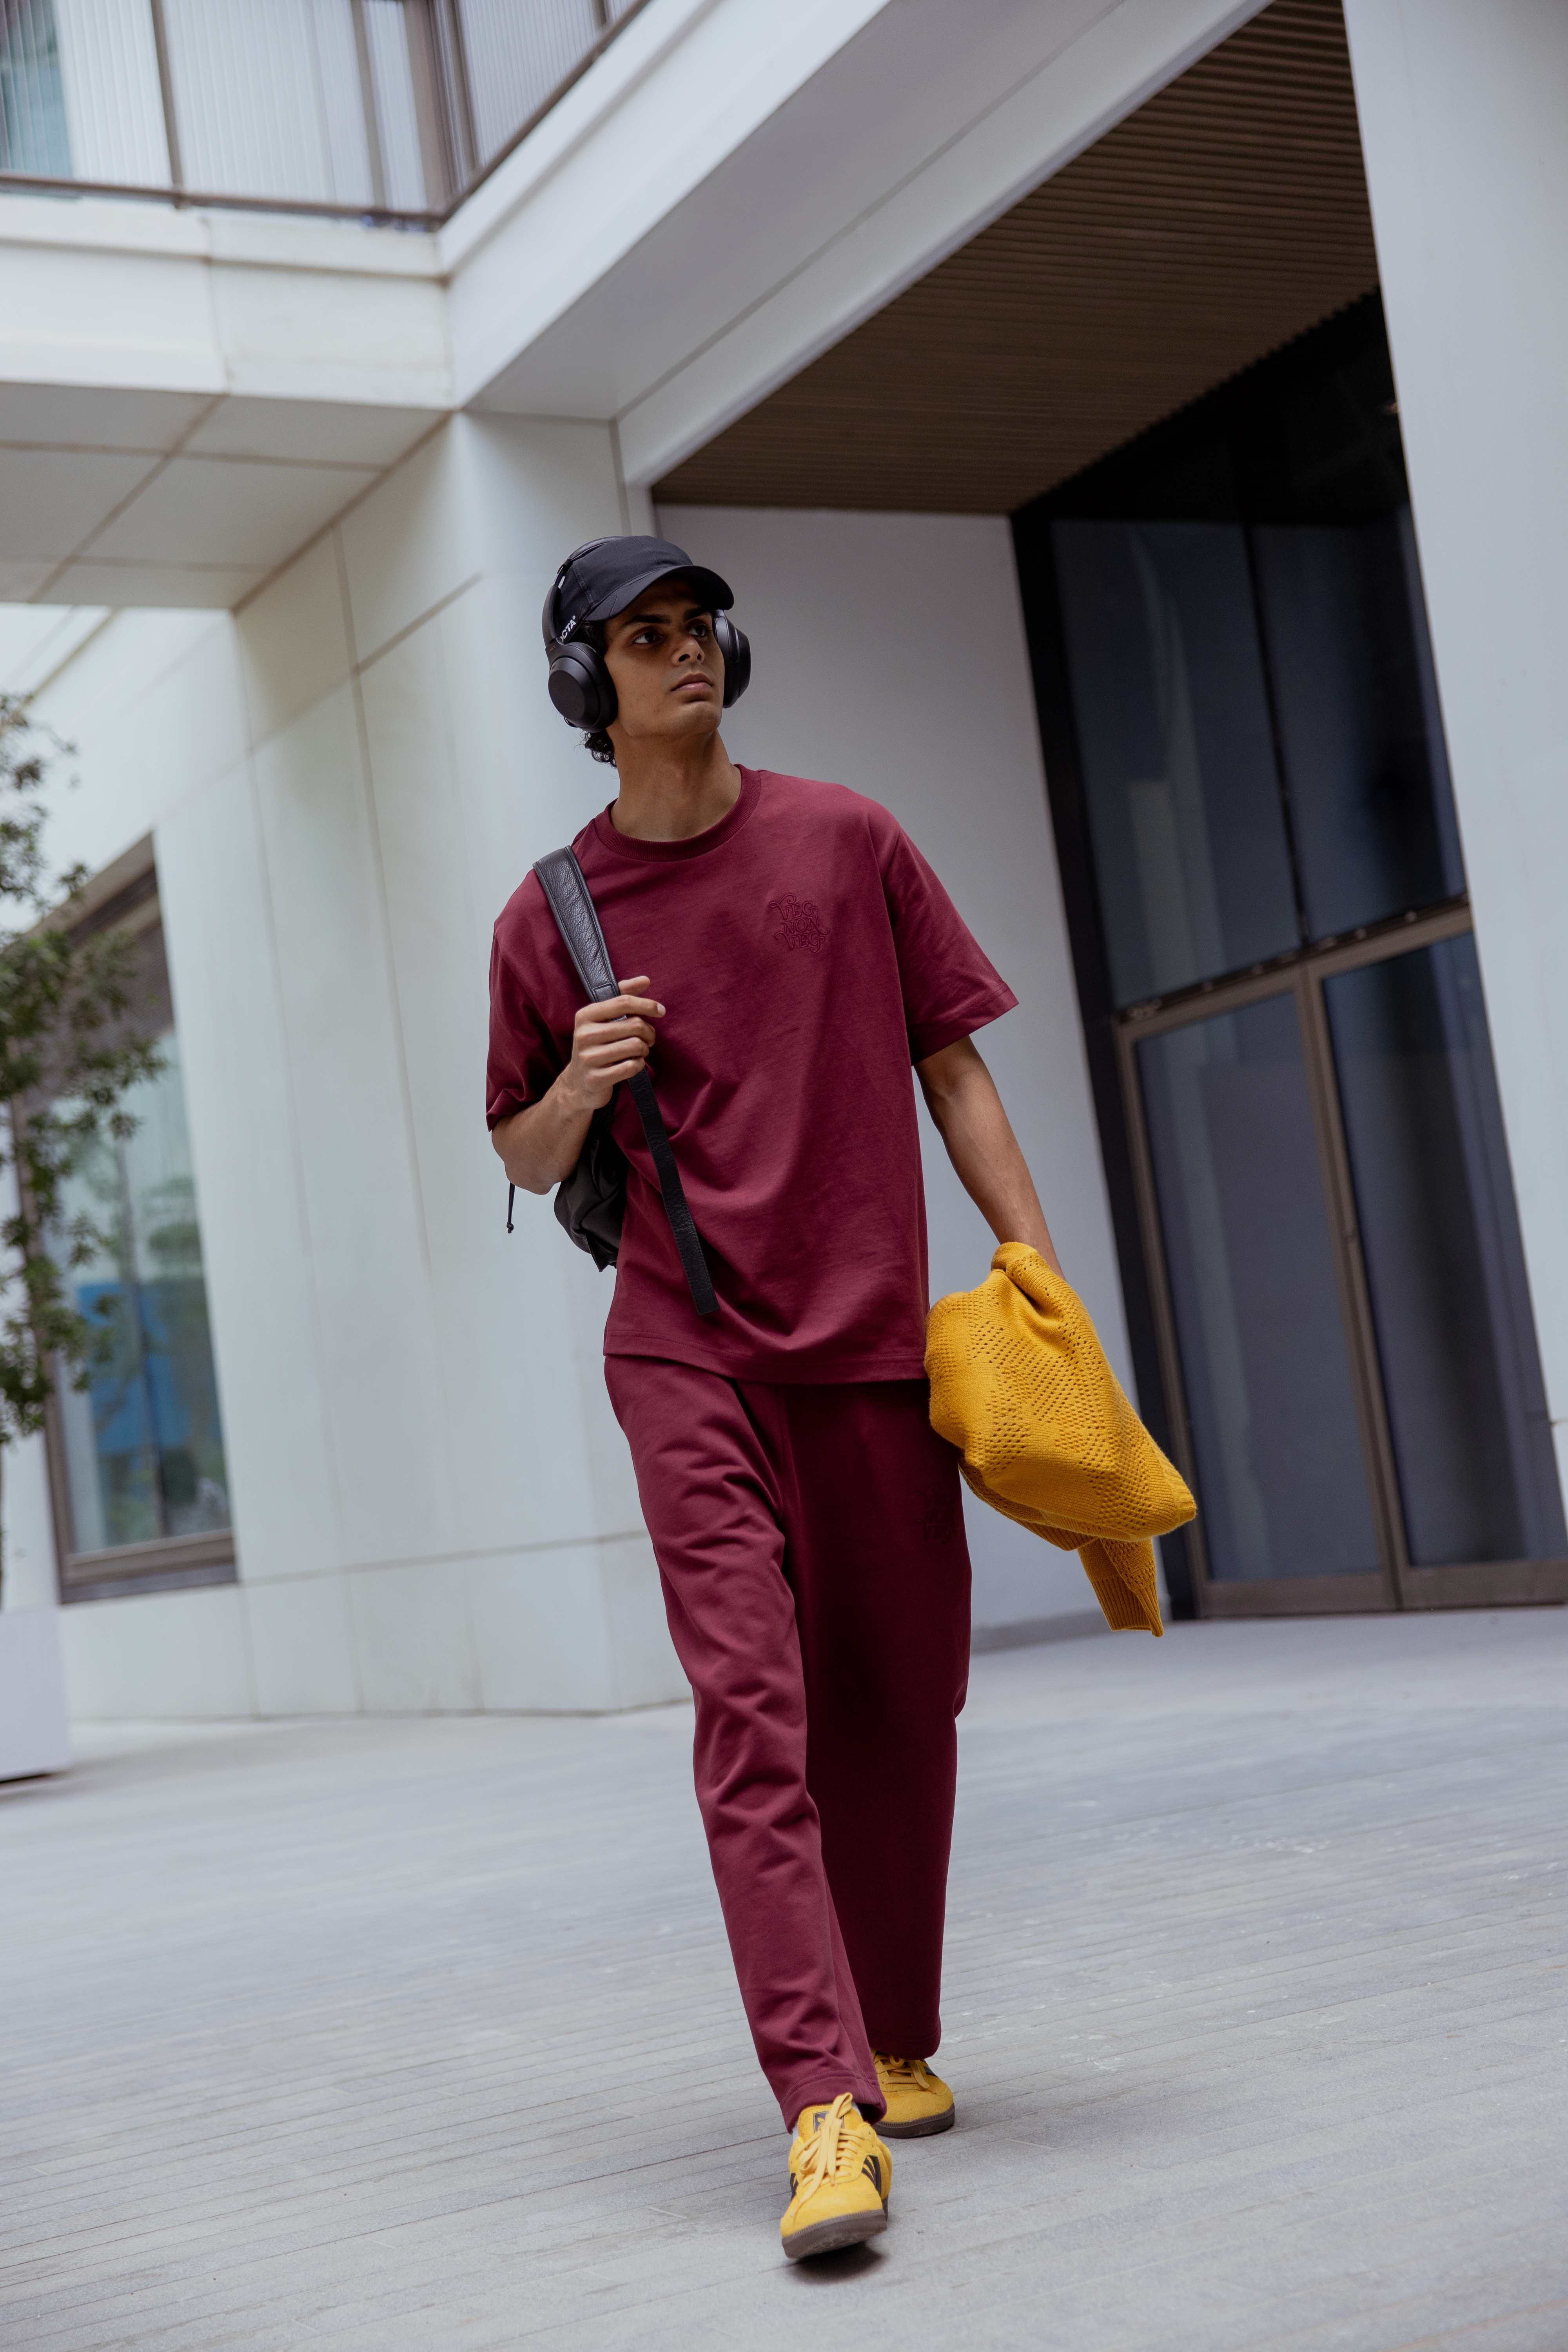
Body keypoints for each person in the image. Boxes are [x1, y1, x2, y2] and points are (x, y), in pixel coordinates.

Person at [487, 535, 1063, 2262]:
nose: (685, 653)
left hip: (874, 1348)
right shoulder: (548, 917)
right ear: (586, 686)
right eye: (642, 638)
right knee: (754, 1716)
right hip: (686, 1349)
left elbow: (953, 1064)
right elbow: (518, 1154)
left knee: (900, 1702)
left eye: (699, 627)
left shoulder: (848, 837)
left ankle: (894, 2037)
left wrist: (1036, 1274)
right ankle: (820, 2105)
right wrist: (579, 1084)